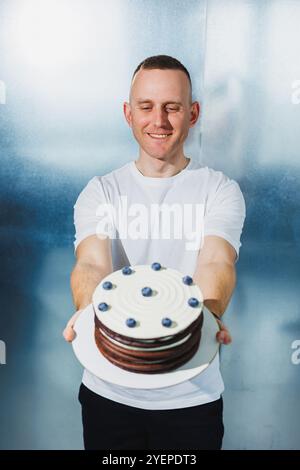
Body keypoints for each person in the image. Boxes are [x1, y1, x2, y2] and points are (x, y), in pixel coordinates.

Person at [63, 55, 246, 450]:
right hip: (109, 394)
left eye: (172, 107)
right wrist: (85, 311)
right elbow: (92, 264)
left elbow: (216, 261)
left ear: (193, 113)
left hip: (192, 395)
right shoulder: (101, 191)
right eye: (146, 107)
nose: (158, 121)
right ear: (128, 113)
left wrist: (210, 314)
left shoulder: (219, 190)